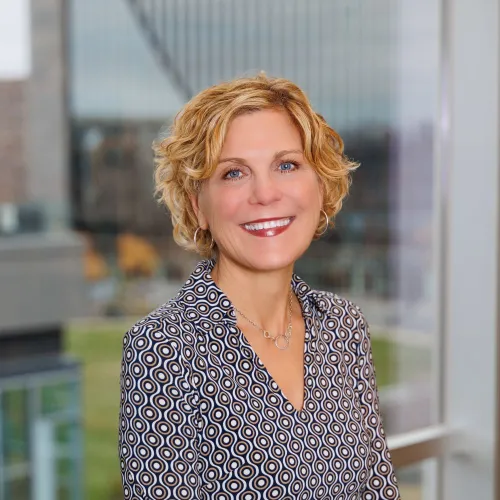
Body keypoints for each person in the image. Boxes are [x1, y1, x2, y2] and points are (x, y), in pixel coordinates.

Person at [118, 73, 401, 499]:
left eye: (286, 165)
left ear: (320, 184)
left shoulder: (345, 327)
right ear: (199, 208)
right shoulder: (163, 348)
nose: (265, 194)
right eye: (234, 173)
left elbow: (377, 490)